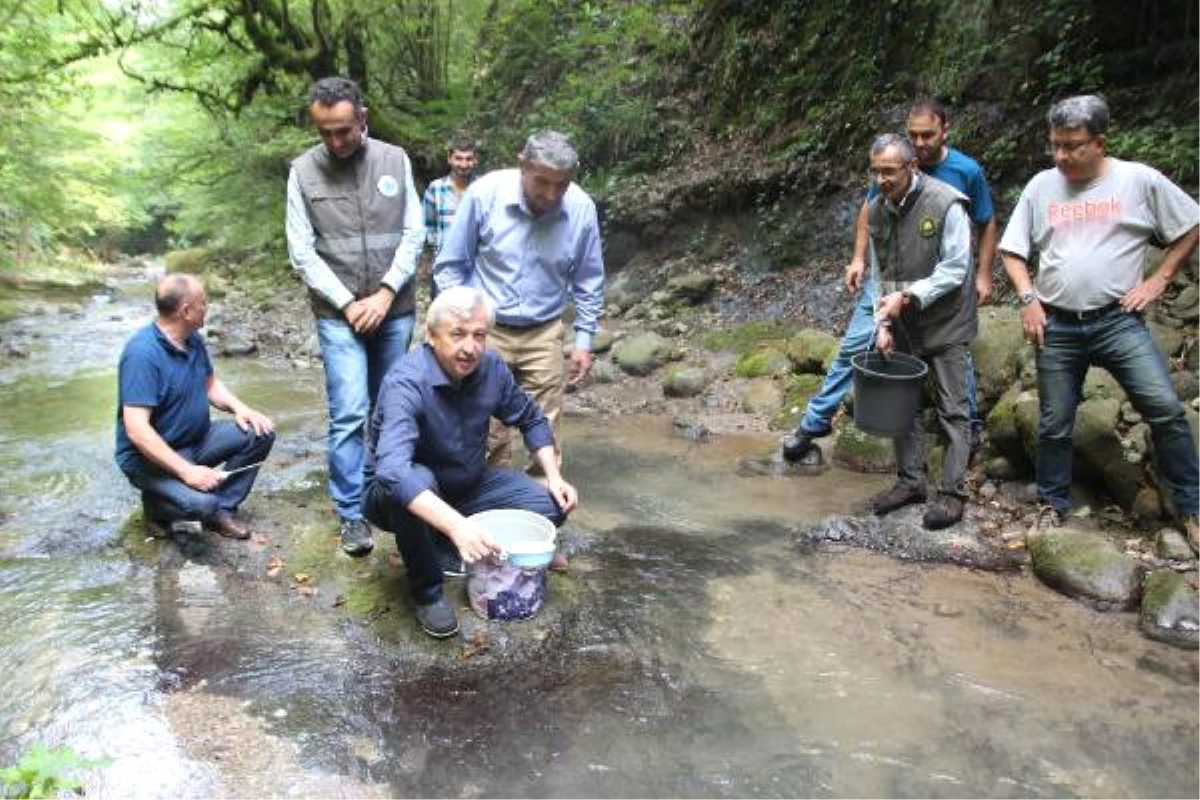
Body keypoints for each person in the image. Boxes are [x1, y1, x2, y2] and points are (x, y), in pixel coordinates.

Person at [999, 94, 1200, 550]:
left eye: (1072, 146)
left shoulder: (1139, 181)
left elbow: (1191, 223)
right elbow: (1013, 252)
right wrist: (1028, 298)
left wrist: (1159, 279)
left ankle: (1192, 507)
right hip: (1056, 323)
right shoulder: (1041, 186)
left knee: (1166, 410)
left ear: (1099, 142)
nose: (1061, 156)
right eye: (1055, 145)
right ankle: (1052, 504)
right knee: (1054, 422)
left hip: (1118, 320)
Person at [782, 99, 997, 461]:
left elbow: (985, 221)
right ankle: (815, 420)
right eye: (913, 134)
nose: (920, 141)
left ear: (945, 130)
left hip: (939, 279)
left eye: (927, 134)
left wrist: (984, 273)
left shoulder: (965, 171)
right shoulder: (890, 164)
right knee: (855, 344)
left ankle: (967, 427)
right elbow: (871, 209)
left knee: (953, 350)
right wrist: (858, 258)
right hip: (889, 277)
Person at [363, 286, 578, 638]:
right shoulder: (407, 382)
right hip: (397, 495)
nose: (470, 347)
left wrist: (553, 476)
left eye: (479, 335)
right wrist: (456, 526)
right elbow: (392, 472)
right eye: (458, 334)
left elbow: (532, 418)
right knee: (414, 480)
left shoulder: (490, 367)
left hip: (467, 484)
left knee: (551, 505)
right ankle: (427, 592)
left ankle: (446, 544)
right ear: (431, 336)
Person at [286, 76, 425, 558]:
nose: (335, 141)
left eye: (343, 130)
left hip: (395, 308)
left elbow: (414, 232)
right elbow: (301, 252)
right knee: (349, 412)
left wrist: (385, 294)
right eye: (324, 132)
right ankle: (351, 515)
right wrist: (348, 303)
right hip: (336, 314)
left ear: (362, 118)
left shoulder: (395, 160)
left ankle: (390, 495)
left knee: (392, 409)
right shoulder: (302, 172)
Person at [433, 130, 604, 468]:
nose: (552, 194)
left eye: (562, 185)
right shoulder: (485, 194)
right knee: (484, 427)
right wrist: (460, 330)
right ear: (522, 165)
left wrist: (583, 341)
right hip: (486, 330)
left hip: (544, 331)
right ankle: (488, 504)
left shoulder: (581, 209)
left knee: (546, 429)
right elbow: (450, 266)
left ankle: (544, 509)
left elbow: (588, 279)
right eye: (543, 182)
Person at [864, 134, 975, 530]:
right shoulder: (876, 210)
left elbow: (955, 268)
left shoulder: (946, 203)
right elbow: (879, 275)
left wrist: (908, 296)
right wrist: (882, 324)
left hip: (946, 322)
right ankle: (910, 482)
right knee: (903, 405)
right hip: (903, 321)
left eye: (889, 171)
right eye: (876, 171)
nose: (881, 180)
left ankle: (952, 494)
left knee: (953, 409)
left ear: (911, 167)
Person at [115, 273, 276, 540]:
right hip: (150, 460)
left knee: (259, 432)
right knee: (201, 505)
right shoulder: (141, 354)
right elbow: (137, 430)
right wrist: (187, 473)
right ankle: (157, 506)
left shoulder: (193, 339)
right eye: (203, 301)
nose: (207, 306)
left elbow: (210, 384)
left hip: (195, 441)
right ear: (186, 311)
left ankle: (222, 509)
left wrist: (241, 409)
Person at [421, 133, 478, 299]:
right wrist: (432, 257)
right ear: (449, 159)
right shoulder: (436, 188)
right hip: (444, 268)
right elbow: (427, 227)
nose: (464, 164)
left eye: (469, 159)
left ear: (475, 160)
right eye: (458, 158)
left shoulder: (482, 188)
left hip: (476, 269)